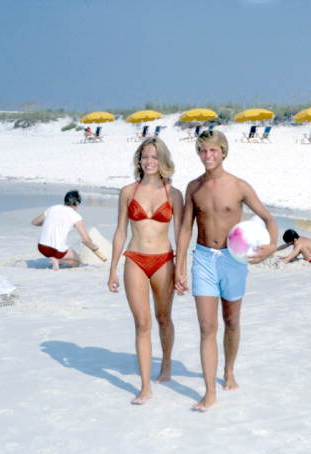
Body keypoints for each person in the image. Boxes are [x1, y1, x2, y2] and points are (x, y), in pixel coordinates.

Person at [174, 130, 278, 411]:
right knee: (207, 327)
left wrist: (271, 245)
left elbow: (268, 219)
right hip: (204, 259)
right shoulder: (193, 188)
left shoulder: (239, 186)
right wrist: (179, 265)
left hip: (234, 261)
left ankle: (229, 371)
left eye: (212, 151)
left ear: (223, 152)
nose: (207, 156)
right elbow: (185, 227)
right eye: (202, 151)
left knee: (231, 321)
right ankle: (209, 391)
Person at [108, 137, 184, 404]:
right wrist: (112, 269)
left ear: (162, 160)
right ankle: (144, 386)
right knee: (142, 323)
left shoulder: (173, 194)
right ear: (138, 161)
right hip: (135, 259)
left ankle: (165, 363)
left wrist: (182, 269)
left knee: (164, 318)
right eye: (144, 157)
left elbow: (181, 234)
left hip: (164, 259)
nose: (149, 161)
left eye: (154, 157)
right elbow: (120, 232)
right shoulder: (128, 191)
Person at [31, 190, 106, 271]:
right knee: (77, 262)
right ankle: (57, 260)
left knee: (61, 251)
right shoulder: (76, 216)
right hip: (56, 250)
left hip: (41, 247)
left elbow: (34, 222)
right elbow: (85, 240)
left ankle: (56, 259)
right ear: (76, 203)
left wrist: (50, 222)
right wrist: (94, 247)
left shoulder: (52, 208)